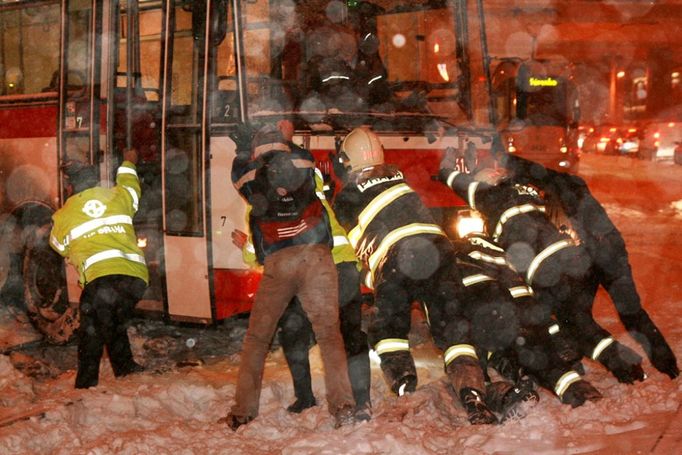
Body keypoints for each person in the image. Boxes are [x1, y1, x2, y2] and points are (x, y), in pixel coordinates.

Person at [332, 126, 524, 425]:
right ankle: (472, 394)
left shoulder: (345, 198)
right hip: (439, 251)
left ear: (346, 162)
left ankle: (405, 386)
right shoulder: (399, 178)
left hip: (398, 259)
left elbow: (359, 246)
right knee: (453, 331)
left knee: (389, 330)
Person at [438, 146, 649, 384]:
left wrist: (446, 169)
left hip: (547, 271)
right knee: (579, 322)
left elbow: (461, 184)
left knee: (540, 319)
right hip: (577, 263)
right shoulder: (528, 194)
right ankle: (618, 362)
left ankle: (576, 361)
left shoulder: (492, 197)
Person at [231, 119, 372, 417]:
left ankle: (243, 411)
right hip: (318, 256)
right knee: (329, 334)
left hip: (280, 261)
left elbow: (238, 170)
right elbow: (298, 159)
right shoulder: (305, 163)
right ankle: (344, 406)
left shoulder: (250, 178)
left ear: (257, 149)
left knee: (257, 339)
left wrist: (245, 148)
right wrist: (287, 139)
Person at [497, 151, 679, 380]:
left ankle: (646, 365)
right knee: (610, 315)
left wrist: (507, 161)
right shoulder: (568, 189)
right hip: (606, 254)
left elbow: (542, 176)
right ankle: (662, 366)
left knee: (577, 314)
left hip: (600, 257)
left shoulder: (565, 185)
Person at [450, 211, 602, 408]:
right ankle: (569, 385)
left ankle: (506, 388)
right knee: (527, 345)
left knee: (506, 348)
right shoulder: (501, 249)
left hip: (494, 310)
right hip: (517, 308)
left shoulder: (458, 249)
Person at [49, 148, 148, 389]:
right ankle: (125, 368)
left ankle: (85, 384)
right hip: (135, 279)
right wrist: (128, 161)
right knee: (113, 319)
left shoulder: (64, 214)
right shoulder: (117, 196)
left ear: (71, 187)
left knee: (91, 331)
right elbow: (131, 185)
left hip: (100, 278)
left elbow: (58, 246)